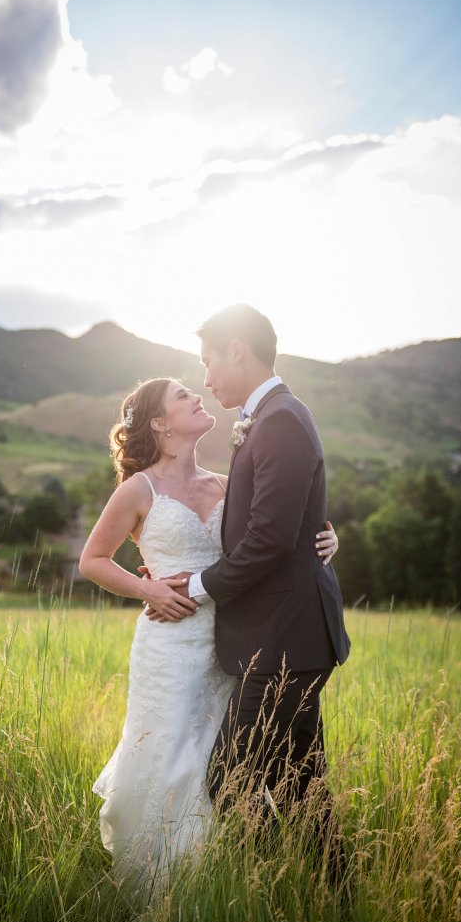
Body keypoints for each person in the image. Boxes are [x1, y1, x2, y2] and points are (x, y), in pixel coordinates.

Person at [79, 370, 339, 884]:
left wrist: (329, 540)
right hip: (169, 644)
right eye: (183, 395)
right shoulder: (139, 489)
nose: (197, 394)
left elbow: (275, 532)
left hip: (232, 643)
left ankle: (232, 873)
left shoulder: (226, 483)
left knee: (220, 760)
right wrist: (147, 587)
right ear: (160, 423)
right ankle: (166, 880)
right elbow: (93, 559)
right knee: (171, 753)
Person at [153, 304, 351, 870]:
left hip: (287, 640)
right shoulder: (266, 418)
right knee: (301, 786)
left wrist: (192, 583)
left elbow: (267, 539)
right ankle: (334, 898)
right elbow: (270, 528)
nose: (207, 378)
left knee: (228, 778)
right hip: (287, 636)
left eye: (209, 362)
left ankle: (267, 891)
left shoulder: (282, 419)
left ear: (237, 350)